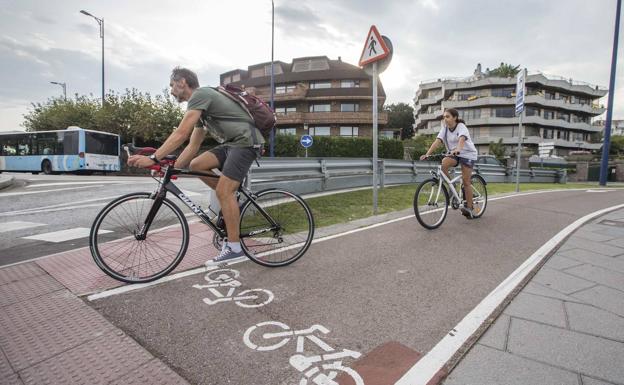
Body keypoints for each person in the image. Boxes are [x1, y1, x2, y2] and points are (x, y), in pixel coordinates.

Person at [128, 67, 264, 263]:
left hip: (246, 143)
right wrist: (170, 168)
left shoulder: (200, 95)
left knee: (224, 192)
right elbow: (192, 145)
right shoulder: (201, 110)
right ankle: (231, 200)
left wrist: (154, 158)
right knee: (196, 164)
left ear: (182, 82)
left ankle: (235, 249)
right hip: (233, 144)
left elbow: (181, 133)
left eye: (171, 86)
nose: (171, 90)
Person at [419, 108, 478, 219]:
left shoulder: (461, 127)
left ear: (454, 117)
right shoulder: (445, 129)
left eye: (447, 116)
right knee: (443, 164)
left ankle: (469, 208)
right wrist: (427, 154)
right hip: (454, 154)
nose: (445, 119)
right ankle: (452, 186)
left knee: (466, 181)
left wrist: (458, 149)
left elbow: (461, 140)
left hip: (468, 154)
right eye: (444, 117)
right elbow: (437, 141)